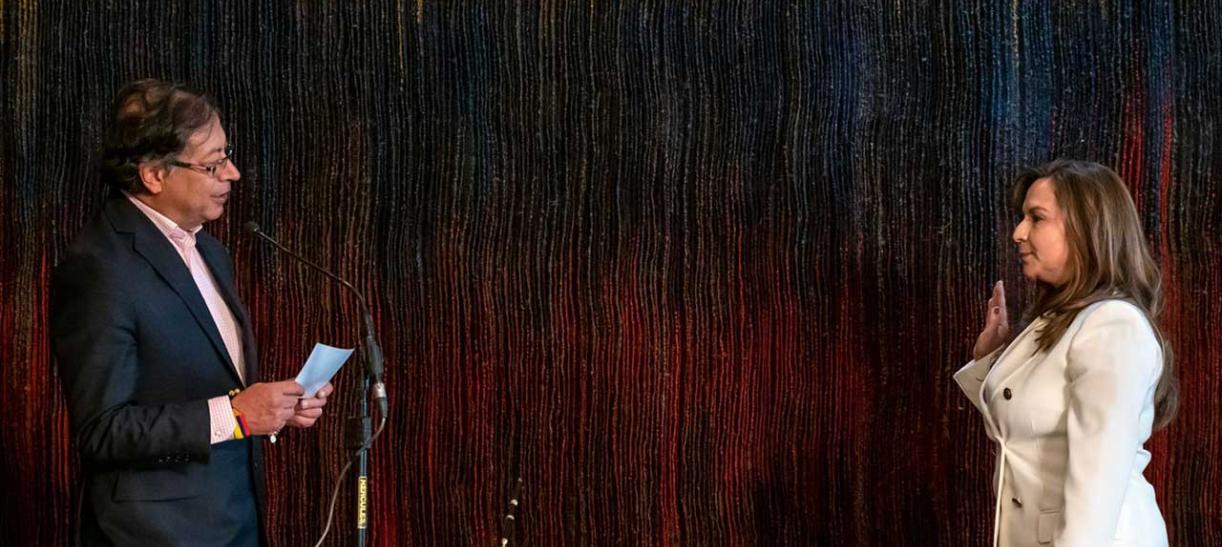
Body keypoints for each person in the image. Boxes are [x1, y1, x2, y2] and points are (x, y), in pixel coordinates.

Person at [51, 79, 334, 546]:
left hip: (234, 520)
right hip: (155, 535)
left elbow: (212, 389)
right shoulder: (98, 268)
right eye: (213, 163)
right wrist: (235, 415)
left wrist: (277, 408)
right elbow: (103, 431)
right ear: (153, 175)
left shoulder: (211, 251)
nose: (233, 174)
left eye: (227, 156)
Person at [954, 160, 1177, 546]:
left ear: (1086, 228)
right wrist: (989, 359)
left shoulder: (1113, 326)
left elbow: (1095, 489)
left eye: (1036, 218)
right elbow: (1024, 434)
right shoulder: (1062, 319)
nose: (1018, 232)